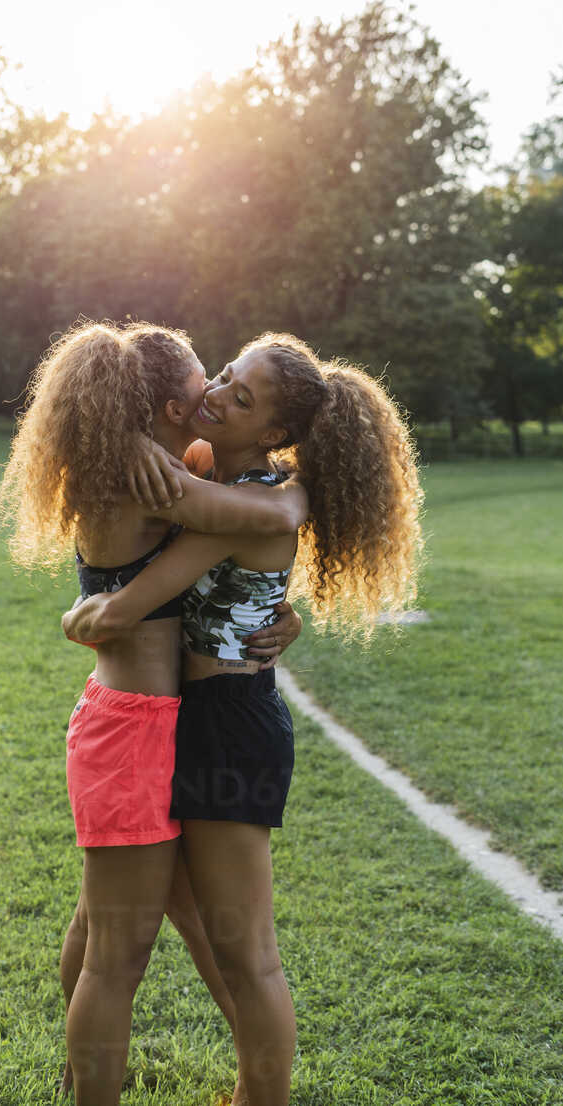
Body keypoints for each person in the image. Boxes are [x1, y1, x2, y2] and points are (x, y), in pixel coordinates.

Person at [63, 331, 425, 1106]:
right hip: (185, 716)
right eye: (222, 376)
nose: (216, 394)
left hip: (229, 725)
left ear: (270, 434)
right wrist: (134, 435)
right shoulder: (208, 472)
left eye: (239, 395)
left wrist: (104, 604)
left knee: (244, 953)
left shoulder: (249, 502)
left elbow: (153, 579)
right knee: (131, 922)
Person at [0, 320, 307, 1106]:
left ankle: (84, 1068)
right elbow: (263, 518)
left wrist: (279, 609)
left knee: (98, 927)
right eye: (208, 377)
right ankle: (90, 1080)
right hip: (134, 726)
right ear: (171, 407)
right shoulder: (152, 482)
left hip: (145, 720)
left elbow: (240, 537)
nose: (213, 390)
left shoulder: (159, 465)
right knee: (115, 956)